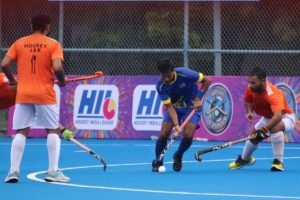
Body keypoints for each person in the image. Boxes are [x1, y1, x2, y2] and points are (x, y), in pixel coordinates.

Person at [1, 14, 73, 183]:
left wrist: (13, 81)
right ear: (48, 26)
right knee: (52, 130)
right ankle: (53, 172)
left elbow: (4, 63)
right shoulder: (53, 44)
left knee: (21, 132)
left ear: (31, 26)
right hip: (44, 93)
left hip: (23, 93)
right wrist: (62, 82)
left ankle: (13, 171)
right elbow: (57, 67)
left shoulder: (20, 42)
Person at [228, 67, 295, 172]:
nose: (250, 85)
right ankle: (245, 159)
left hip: (286, 117)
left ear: (263, 80)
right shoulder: (250, 88)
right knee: (253, 136)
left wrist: (264, 130)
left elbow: (277, 116)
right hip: (267, 118)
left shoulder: (273, 94)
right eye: (250, 82)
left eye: (254, 82)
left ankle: (278, 162)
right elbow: (248, 100)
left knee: (275, 128)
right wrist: (250, 112)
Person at [152, 58, 211, 172]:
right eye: (163, 76)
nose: (166, 79)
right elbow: (169, 107)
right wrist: (177, 125)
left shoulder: (185, 73)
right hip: (175, 108)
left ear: (173, 71)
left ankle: (178, 155)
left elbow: (207, 81)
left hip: (191, 107)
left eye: (168, 75)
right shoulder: (160, 85)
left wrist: (198, 98)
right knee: (164, 133)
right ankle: (158, 160)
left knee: (188, 135)